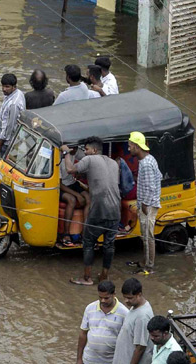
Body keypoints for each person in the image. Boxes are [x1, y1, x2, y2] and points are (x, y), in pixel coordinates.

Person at [65, 136, 122, 285]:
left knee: (88, 242)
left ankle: (87, 278)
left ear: (95, 150)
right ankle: (104, 275)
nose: (85, 152)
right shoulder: (113, 163)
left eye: (87, 149)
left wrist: (66, 153)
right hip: (116, 210)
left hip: (99, 210)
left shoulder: (89, 159)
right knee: (109, 245)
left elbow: (70, 169)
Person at [128, 131, 162, 275]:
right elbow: (159, 176)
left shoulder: (146, 164)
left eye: (130, 146)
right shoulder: (148, 159)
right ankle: (145, 261)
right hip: (148, 203)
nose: (129, 149)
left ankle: (149, 268)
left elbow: (151, 187)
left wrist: (144, 205)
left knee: (148, 237)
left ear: (137, 146)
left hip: (148, 206)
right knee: (145, 236)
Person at [78, 280, 128, 364]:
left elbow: (127, 341)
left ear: (114, 294)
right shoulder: (90, 308)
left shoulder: (124, 313)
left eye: (106, 298)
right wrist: (79, 359)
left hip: (111, 361)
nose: (103, 301)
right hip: (88, 360)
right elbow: (83, 333)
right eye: (100, 297)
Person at [112, 278, 154, 364]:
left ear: (139, 294)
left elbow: (140, 347)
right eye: (124, 297)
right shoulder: (135, 306)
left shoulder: (142, 316)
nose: (126, 301)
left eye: (129, 298)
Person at [0, 73, 25, 156]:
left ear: (14, 87)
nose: (4, 89)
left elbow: (10, 126)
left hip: (8, 143)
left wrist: (0, 142)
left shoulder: (14, 104)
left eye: (7, 87)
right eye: (3, 86)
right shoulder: (17, 93)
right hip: (15, 140)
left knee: (4, 166)